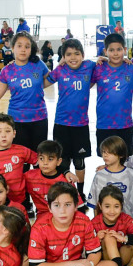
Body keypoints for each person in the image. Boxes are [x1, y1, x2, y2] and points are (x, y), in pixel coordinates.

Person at [28, 182, 119, 266]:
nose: (62, 211)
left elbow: (95, 253)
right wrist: (73, 264)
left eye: (68, 205)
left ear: (76, 206)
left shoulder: (83, 221)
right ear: (49, 208)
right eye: (57, 205)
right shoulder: (39, 228)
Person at [0, 33, 50, 164]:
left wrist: (64, 64)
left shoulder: (39, 65)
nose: (23, 49)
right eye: (19, 46)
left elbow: (52, 78)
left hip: (39, 119)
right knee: (21, 161)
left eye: (27, 46)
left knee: (39, 159)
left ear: (31, 49)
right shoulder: (7, 71)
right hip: (17, 121)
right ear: (12, 47)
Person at [45, 38, 96, 201]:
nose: (73, 57)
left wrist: (105, 59)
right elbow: (43, 82)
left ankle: (80, 192)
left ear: (83, 55)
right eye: (68, 55)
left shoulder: (89, 66)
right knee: (63, 160)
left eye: (76, 53)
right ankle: (66, 191)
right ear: (63, 57)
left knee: (80, 161)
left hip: (80, 125)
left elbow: (106, 66)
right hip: (61, 124)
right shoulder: (60, 70)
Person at [92, 33, 133, 155]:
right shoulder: (98, 68)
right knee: (107, 158)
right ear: (105, 51)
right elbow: (86, 84)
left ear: (125, 50)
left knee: (127, 158)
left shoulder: (131, 68)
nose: (116, 53)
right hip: (104, 124)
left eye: (119, 49)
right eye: (111, 50)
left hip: (125, 123)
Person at [86, 136, 133, 218]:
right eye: (103, 152)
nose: (105, 155)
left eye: (109, 152)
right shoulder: (99, 175)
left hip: (129, 225)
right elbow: (95, 203)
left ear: (121, 155)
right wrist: (97, 225)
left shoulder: (131, 174)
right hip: (106, 226)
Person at [24, 140, 77, 217]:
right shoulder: (29, 176)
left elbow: (77, 206)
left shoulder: (66, 181)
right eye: (41, 158)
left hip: (63, 216)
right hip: (42, 216)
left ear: (59, 161)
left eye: (50, 159)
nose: (45, 163)